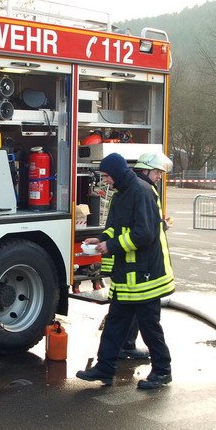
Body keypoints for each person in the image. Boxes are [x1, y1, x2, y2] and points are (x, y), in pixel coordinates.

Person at [76, 152, 175, 389]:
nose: (106, 181)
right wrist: (99, 238)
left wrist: (110, 245)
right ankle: (105, 368)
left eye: (108, 176)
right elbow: (115, 228)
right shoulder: (121, 194)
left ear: (118, 173)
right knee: (115, 325)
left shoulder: (141, 192)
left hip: (145, 276)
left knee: (150, 328)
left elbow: (145, 234)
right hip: (127, 276)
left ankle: (162, 372)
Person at [117, 150, 175, 360]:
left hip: (145, 265)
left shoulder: (143, 188)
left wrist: (161, 225)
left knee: (134, 310)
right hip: (147, 266)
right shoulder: (144, 190)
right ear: (145, 170)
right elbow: (141, 231)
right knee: (149, 317)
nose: (159, 176)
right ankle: (161, 367)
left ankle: (126, 346)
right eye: (157, 172)